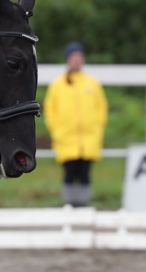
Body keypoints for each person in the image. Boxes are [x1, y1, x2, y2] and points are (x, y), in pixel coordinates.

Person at [43, 42, 108, 207]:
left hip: (88, 137)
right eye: (73, 57)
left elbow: (101, 106)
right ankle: (69, 203)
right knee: (69, 172)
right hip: (66, 137)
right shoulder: (58, 84)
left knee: (85, 172)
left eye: (79, 57)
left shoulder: (92, 83)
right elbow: (50, 109)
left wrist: (98, 126)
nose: (76, 61)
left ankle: (84, 204)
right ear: (68, 60)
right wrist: (56, 129)